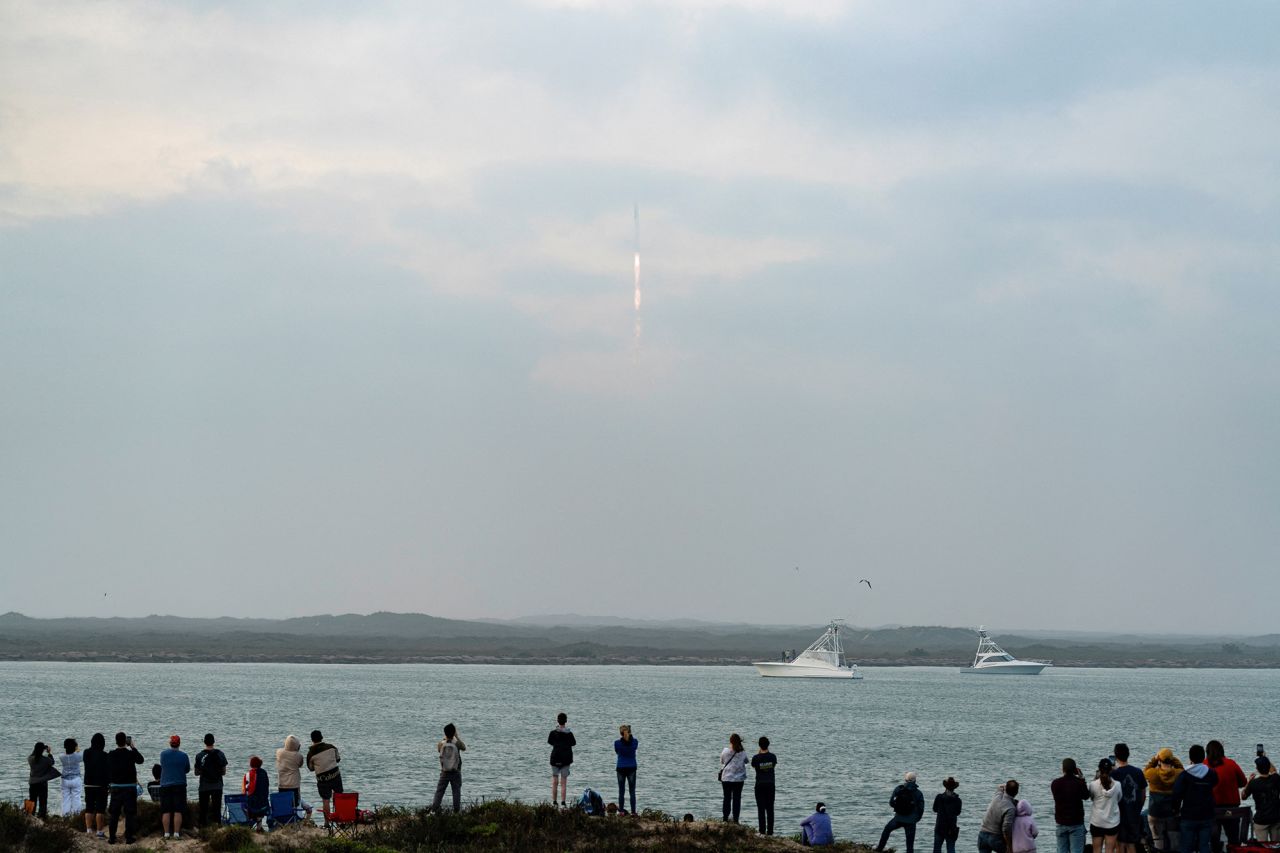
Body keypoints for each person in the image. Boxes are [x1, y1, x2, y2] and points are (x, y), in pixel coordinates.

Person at [1172, 744, 1219, 853]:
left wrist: (1175, 809)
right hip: (1207, 814)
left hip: (1189, 815)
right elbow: (1215, 782)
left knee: (1186, 847)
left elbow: (1176, 794)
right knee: (1204, 846)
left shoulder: (1184, 775)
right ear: (1203, 757)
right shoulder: (1211, 773)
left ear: (1190, 758)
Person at [1205, 740, 1246, 853]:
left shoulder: (1204, 765)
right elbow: (1243, 782)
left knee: (1213, 838)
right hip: (1231, 808)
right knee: (1233, 838)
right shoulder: (1231, 763)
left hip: (1212, 808)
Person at [107, 732, 144, 845]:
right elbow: (140, 760)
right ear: (126, 742)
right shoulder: (130, 754)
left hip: (116, 787)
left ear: (116, 741)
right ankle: (129, 837)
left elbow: (107, 767)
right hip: (129, 787)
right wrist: (133, 747)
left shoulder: (111, 754)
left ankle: (112, 838)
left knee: (114, 813)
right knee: (130, 813)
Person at [1145, 748, 1185, 853]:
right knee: (1174, 841)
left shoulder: (1153, 773)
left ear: (1159, 760)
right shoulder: (1177, 773)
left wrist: (1155, 758)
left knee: (1157, 840)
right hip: (1172, 812)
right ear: (1171, 761)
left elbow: (1146, 770)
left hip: (1155, 812)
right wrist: (1172, 758)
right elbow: (1182, 769)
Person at [877, 771, 926, 853]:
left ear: (905, 780)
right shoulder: (918, 793)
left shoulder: (898, 789)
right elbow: (921, 809)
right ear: (915, 780)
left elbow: (891, 803)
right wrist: (916, 819)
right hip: (911, 821)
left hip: (898, 818)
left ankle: (879, 849)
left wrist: (899, 809)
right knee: (910, 844)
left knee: (887, 830)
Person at [1112, 745, 1148, 853]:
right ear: (1128, 755)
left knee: (1120, 845)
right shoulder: (1138, 772)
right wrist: (1138, 808)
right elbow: (1143, 794)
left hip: (1119, 815)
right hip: (1134, 814)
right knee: (1131, 844)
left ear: (1116, 756)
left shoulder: (1114, 773)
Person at [1051, 758, 1090, 853]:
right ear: (1075, 770)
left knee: (1061, 850)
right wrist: (1082, 778)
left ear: (1063, 769)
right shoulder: (1078, 783)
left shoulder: (1055, 783)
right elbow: (1086, 796)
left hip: (1061, 822)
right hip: (1076, 823)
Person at [306, 729, 343, 821]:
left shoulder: (310, 754)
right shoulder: (331, 747)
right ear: (322, 738)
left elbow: (311, 768)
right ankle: (341, 819)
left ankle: (327, 822)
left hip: (322, 779)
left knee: (326, 800)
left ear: (312, 740)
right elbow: (337, 759)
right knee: (339, 797)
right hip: (335, 775)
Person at [159, 734, 190, 839]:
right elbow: (187, 769)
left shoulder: (163, 754)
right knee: (178, 810)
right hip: (179, 784)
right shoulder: (184, 756)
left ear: (170, 743)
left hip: (165, 785)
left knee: (166, 810)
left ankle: (166, 833)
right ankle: (176, 833)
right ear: (179, 743)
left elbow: (162, 765)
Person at [431, 722, 466, 813]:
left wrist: (445, 739)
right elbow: (464, 748)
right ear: (454, 732)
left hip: (444, 771)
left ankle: (434, 810)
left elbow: (439, 750)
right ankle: (456, 811)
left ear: (445, 733)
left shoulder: (441, 743)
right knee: (456, 792)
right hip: (456, 771)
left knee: (439, 792)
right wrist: (457, 737)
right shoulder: (457, 743)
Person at [194, 733, 228, 828]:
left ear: (204, 742)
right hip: (217, 785)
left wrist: (205, 771)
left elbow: (196, 773)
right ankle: (217, 827)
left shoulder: (199, 755)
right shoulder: (220, 754)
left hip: (204, 786)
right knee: (216, 808)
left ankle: (203, 828)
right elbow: (224, 772)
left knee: (203, 809)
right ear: (214, 742)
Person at [1089, 759, 1123, 853]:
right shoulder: (1118, 785)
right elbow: (1119, 799)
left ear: (1099, 770)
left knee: (1096, 850)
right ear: (1111, 770)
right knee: (1110, 850)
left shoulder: (1093, 785)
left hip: (1097, 822)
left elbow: (1092, 798)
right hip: (1112, 822)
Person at [1243, 756, 1280, 841]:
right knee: (1276, 846)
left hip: (1261, 819)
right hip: (1276, 818)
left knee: (1262, 847)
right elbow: (1274, 771)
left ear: (1257, 769)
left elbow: (1243, 796)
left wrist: (1248, 782)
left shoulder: (1253, 783)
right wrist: (1266, 758)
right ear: (1268, 767)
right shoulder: (1276, 778)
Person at [979, 780, 1020, 853]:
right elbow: (1006, 829)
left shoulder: (998, 795)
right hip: (995, 837)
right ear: (1017, 792)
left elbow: (1000, 786)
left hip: (982, 833)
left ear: (1005, 788)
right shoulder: (1010, 808)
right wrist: (1009, 847)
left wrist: (1006, 786)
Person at [82, 732, 110, 838]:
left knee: (89, 807)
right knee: (100, 809)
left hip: (88, 784)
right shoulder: (105, 755)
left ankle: (88, 830)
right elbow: (107, 771)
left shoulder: (86, 753)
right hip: (101, 785)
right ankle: (99, 831)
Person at [718, 733, 750, 823]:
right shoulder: (742, 752)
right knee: (737, 799)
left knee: (727, 798)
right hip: (739, 780)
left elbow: (722, 761)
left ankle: (725, 818)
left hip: (727, 778)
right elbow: (747, 761)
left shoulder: (725, 751)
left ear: (730, 741)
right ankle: (736, 820)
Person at [547, 713, 575, 807]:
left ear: (557, 721)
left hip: (555, 758)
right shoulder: (569, 734)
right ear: (566, 721)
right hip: (566, 759)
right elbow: (573, 743)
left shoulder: (553, 733)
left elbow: (550, 742)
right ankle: (563, 802)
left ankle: (554, 802)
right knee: (563, 782)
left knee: (555, 781)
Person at [751, 736, 777, 836]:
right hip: (770, 784)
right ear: (768, 745)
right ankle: (770, 832)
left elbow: (754, 766)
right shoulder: (773, 757)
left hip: (759, 785)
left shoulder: (756, 758)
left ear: (759, 745)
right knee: (770, 809)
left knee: (761, 808)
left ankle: (762, 831)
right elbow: (773, 766)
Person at [27, 742, 59, 819]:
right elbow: (52, 762)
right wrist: (49, 753)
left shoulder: (30, 759)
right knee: (43, 802)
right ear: (42, 750)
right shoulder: (46, 760)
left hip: (33, 783)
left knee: (32, 800)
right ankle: (42, 818)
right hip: (42, 783)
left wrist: (37, 750)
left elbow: (32, 755)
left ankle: (30, 817)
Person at [932, 777, 962, 853]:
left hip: (940, 826)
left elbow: (934, 809)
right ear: (954, 788)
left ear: (945, 787)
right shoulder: (957, 800)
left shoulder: (939, 797)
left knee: (937, 849)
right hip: (951, 828)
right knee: (951, 848)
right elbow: (958, 812)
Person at [276, 735, 305, 810]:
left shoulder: (279, 752)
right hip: (294, 785)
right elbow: (300, 764)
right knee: (294, 804)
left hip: (282, 784)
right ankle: (294, 820)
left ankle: (285, 820)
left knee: (284, 805)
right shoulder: (298, 756)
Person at [615, 724, 639, 816]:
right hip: (632, 767)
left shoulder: (617, 743)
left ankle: (621, 811)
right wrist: (630, 736)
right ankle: (633, 812)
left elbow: (617, 752)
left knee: (621, 791)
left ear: (620, 733)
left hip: (621, 767)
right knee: (632, 791)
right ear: (629, 732)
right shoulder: (635, 742)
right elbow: (633, 745)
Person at [243, 756, 270, 827]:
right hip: (264, 804)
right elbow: (267, 786)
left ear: (251, 764)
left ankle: (250, 824)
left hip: (252, 805)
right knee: (259, 800)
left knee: (247, 802)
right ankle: (259, 827)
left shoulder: (248, 774)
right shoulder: (264, 773)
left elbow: (245, 790)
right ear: (260, 764)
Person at [60, 738, 84, 816]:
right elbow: (81, 754)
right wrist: (77, 749)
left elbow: (66, 753)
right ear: (74, 747)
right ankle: (77, 815)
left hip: (65, 780)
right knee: (76, 798)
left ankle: (65, 816)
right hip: (76, 779)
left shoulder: (61, 757)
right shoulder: (78, 756)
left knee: (65, 799)